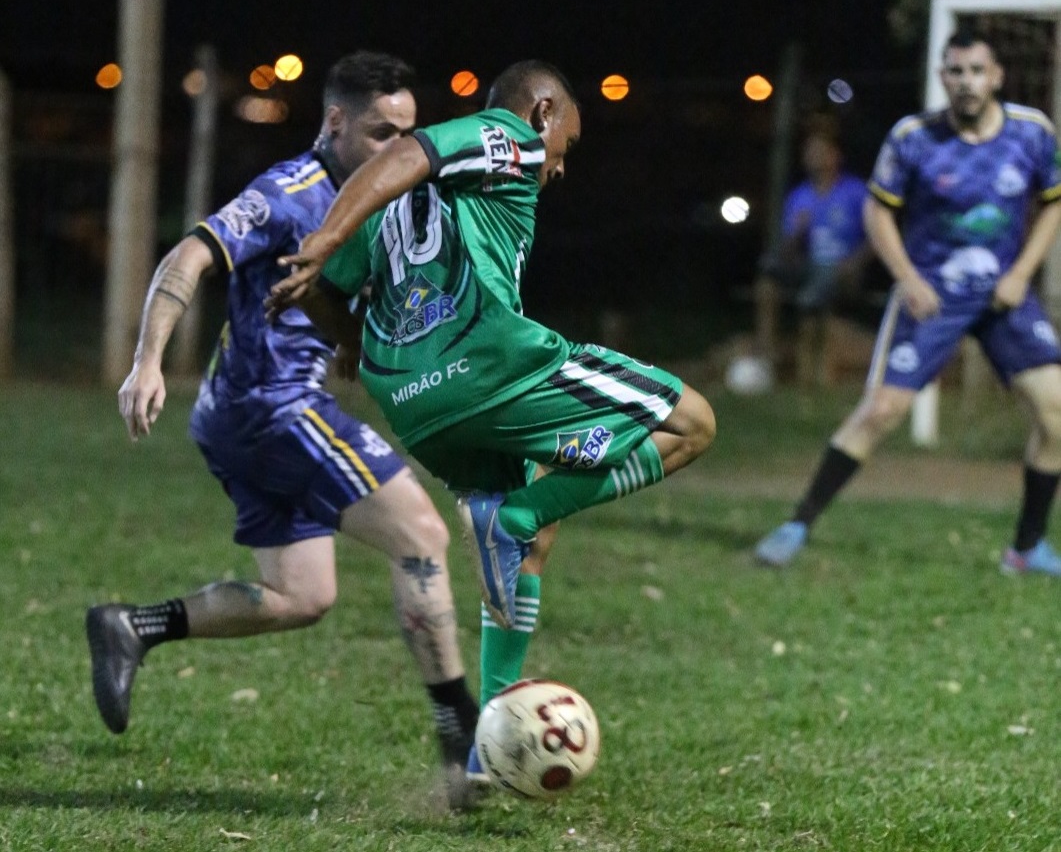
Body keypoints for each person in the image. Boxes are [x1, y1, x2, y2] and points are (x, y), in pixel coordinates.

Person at [266, 59, 717, 779]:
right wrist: (323, 239)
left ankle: (482, 753)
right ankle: (524, 510)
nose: (558, 166)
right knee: (692, 423)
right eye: (565, 144)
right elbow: (416, 151)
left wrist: (348, 331)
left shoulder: (379, 200)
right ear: (541, 114)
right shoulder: (510, 135)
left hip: (413, 405)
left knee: (531, 546)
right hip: (492, 365)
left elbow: (323, 290)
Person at [85, 51, 480, 802]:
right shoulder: (290, 191)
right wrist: (147, 361)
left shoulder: (381, 193)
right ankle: (463, 741)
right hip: (271, 407)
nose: (396, 148)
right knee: (421, 535)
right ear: (333, 121)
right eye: (377, 132)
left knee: (302, 594)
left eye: (406, 134)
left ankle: (131, 625)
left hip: (242, 415)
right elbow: (189, 254)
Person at [755, 29, 1061, 576]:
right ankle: (797, 523)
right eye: (955, 71)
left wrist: (1021, 273)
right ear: (943, 77)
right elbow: (878, 213)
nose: (965, 82)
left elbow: (1054, 203)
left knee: (1056, 413)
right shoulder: (914, 137)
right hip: (932, 295)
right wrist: (908, 277)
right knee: (882, 410)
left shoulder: (1031, 133)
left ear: (996, 77)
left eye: (975, 71)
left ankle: (1027, 547)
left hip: (1002, 293)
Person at [753, 123, 869, 386]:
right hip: (809, 265)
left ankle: (811, 374)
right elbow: (788, 250)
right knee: (768, 276)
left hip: (843, 268)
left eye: (820, 151)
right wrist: (797, 234)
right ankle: (765, 354)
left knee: (813, 295)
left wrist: (856, 263)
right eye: (809, 152)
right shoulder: (800, 196)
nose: (813, 157)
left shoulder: (855, 191)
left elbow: (876, 236)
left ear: (835, 155)